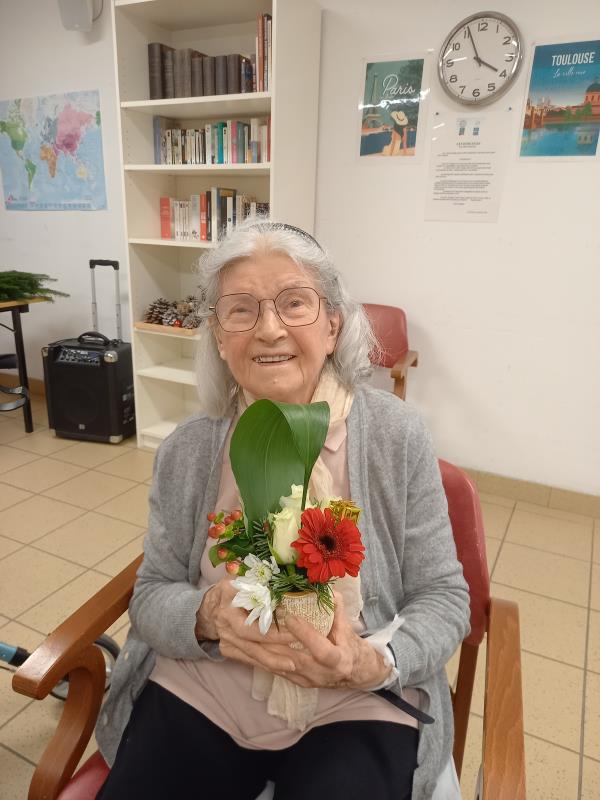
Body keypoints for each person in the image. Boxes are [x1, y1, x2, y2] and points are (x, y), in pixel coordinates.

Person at [95, 220, 470, 800]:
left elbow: (444, 597)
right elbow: (152, 594)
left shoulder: (396, 437)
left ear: (332, 325)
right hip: (208, 682)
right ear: (220, 337)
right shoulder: (189, 449)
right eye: (241, 310)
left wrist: (375, 662)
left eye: (295, 303)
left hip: (355, 696)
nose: (269, 329)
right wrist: (207, 616)